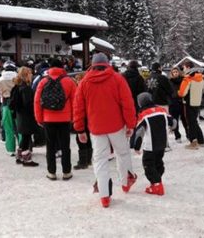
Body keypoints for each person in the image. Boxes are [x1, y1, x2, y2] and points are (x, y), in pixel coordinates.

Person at [73, 52, 137, 208]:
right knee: (122, 153)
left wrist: (80, 129)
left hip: (96, 128)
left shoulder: (84, 82)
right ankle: (125, 182)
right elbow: (127, 103)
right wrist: (130, 124)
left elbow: (78, 108)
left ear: (92, 65)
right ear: (107, 63)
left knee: (100, 159)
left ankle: (104, 196)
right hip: (116, 126)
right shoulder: (117, 79)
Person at [34, 58, 77, 181]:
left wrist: (39, 118)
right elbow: (75, 101)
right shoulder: (69, 81)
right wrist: (74, 117)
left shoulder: (43, 81)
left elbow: (37, 101)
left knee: (50, 146)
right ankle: (67, 172)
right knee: (65, 146)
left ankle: (51, 172)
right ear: (62, 68)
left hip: (48, 119)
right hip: (65, 119)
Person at [131, 92, 176, 196]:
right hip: (162, 144)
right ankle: (157, 180)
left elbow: (139, 133)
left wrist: (136, 146)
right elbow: (173, 122)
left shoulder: (143, 115)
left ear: (140, 103)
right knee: (158, 162)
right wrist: (172, 128)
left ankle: (157, 186)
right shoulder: (162, 110)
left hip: (150, 146)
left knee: (148, 165)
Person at [10, 67, 39, 167]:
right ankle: (26, 160)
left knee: (24, 137)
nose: (31, 75)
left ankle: (19, 156)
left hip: (20, 115)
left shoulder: (18, 86)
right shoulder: (26, 88)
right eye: (30, 73)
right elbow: (28, 103)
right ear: (26, 75)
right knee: (26, 137)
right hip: (27, 116)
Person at [178, 61, 204, 149]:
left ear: (188, 67)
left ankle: (193, 142)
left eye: (184, 67)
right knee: (194, 121)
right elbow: (203, 90)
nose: (183, 69)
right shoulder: (201, 77)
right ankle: (201, 141)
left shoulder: (188, 78)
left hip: (189, 102)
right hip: (197, 102)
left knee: (190, 122)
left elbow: (182, 93)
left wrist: (178, 92)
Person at [0, 61, 17, 154]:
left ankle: (10, 150)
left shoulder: (1, 79)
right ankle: (22, 147)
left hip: (6, 104)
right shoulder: (18, 77)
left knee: (8, 128)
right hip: (17, 104)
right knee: (19, 127)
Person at [73, 72, 93, 170]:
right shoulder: (90, 89)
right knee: (88, 138)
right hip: (89, 117)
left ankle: (83, 161)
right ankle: (88, 159)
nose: (76, 81)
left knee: (80, 139)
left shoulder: (79, 90)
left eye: (77, 79)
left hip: (81, 117)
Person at [168, 67, 188, 143]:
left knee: (185, 119)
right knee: (175, 120)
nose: (175, 73)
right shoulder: (169, 81)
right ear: (172, 73)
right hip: (174, 102)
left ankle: (188, 134)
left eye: (176, 71)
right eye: (174, 72)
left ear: (179, 72)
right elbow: (168, 92)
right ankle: (177, 136)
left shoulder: (183, 79)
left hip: (183, 101)